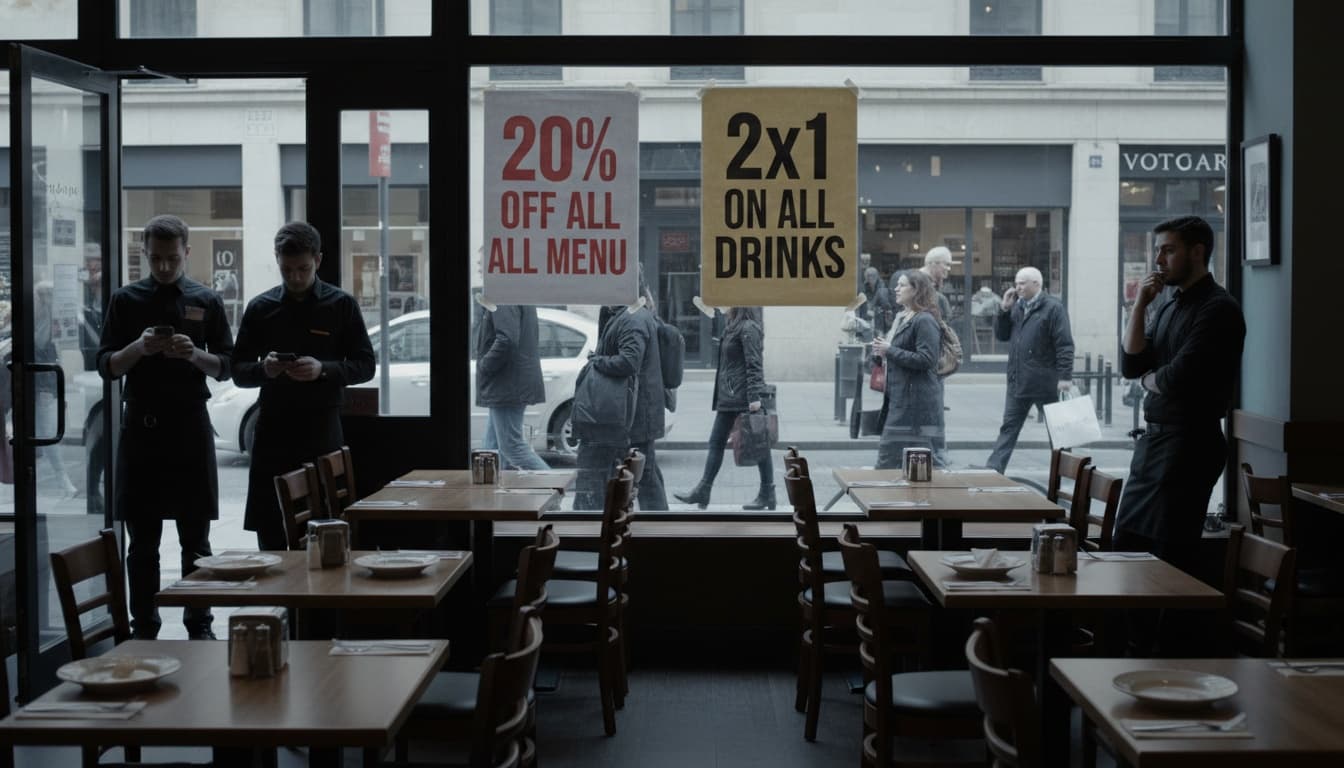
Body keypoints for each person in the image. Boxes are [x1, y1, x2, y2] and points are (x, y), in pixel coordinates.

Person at [97, 214, 233, 640]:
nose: (164, 266)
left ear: (186, 253)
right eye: (156, 258)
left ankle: (200, 626)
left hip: (190, 427)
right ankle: (144, 631)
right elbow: (106, 366)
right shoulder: (125, 300)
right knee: (142, 545)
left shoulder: (206, 300)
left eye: (172, 258)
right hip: (142, 430)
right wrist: (139, 347)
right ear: (144, 253)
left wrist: (193, 354)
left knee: (197, 543)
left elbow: (226, 366)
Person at [1115, 216, 1245, 575]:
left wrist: (1149, 380)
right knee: (1124, 545)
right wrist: (1140, 305)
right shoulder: (1169, 304)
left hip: (1190, 445)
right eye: (1158, 251)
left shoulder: (1219, 308)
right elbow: (1132, 363)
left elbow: (1176, 378)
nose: (1158, 261)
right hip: (1154, 444)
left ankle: (1167, 615)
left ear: (1197, 252)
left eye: (1168, 251)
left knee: (1167, 558)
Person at [233, 222, 375, 550]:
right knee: (271, 533)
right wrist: (265, 369)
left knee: (326, 530)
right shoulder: (261, 308)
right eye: (287, 269)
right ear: (277, 260)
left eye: (303, 269)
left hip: (321, 430)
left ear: (318, 260)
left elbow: (366, 365)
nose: (295, 277)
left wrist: (322, 369)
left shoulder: (341, 305)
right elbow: (238, 371)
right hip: (273, 431)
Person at [574, 291, 667, 511]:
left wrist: (597, 361)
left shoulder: (633, 317)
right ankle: (657, 523)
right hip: (627, 412)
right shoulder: (623, 314)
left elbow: (629, 361)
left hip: (632, 414)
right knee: (644, 474)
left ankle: (658, 525)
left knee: (643, 476)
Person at [675, 306, 774, 510]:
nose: (723, 306)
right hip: (730, 395)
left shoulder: (748, 328)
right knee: (719, 442)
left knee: (758, 443)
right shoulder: (732, 326)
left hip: (742, 396)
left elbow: (754, 364)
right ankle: (704, 490)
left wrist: (754, 397)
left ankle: (767, 493)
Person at [984, 266, 1075, 474]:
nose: (1018, 287)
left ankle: (1067, 470)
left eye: (1022, 283)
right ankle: (993, 469)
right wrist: (1004, 309)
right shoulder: (1017, 307)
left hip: (1045, 382)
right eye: (1016, 283)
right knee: (1009, 427)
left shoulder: (1053, 308)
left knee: (1058, 430)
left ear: (1036, 284)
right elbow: (1002, 335)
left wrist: (1065, 376)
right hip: (1018, 381)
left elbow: (1064, 344)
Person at [873, 271, 944, 469]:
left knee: (888, 457)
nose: (896, 289)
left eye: (902, 285)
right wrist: (880, 352)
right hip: (901, 399)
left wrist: (890, 350)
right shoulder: (903, 318)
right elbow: (896, 352)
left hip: (915, 404)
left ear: (915, 290)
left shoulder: (924, 320)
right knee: (918, 463)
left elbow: (927, 359)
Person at [475, 304, 550, 471]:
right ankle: (496, 487)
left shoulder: (504, 297)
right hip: (509, 381)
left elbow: (506, 340)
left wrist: (485, 365)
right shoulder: (515, 294)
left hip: (507, 383)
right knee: (493, 448)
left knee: (511, 447)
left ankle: (556, 485)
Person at [34, 282, 79, 498]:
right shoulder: (39, 318)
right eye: (43, 295)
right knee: (45, 431)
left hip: (45, 381)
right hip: (38, 380)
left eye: (50, 294)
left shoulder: (52, 317)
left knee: (46, 430)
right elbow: (40, 342)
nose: (47, 299)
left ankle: (61, 478)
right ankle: (61, 478)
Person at [920, 245, 959, 466]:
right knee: (933, 409)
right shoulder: (927, 291)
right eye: (946, 264)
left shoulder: (926, 288)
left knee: (932, 409)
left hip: (928, 361)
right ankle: (936, 453)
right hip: (930, 362)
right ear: (933, 263)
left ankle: (933, 452)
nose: (948, 270)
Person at [857, 266, 893, 340]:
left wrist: (871, 307)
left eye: (871, 276)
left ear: (876, 276)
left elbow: (882, 298)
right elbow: (861, 297)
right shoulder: (865, 286)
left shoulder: (882, 285)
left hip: (880, 315)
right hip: (868, 316)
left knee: (879, 335)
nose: (869, 278)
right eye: (868, 276)